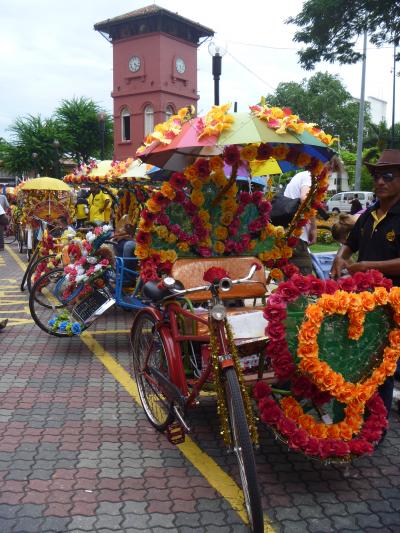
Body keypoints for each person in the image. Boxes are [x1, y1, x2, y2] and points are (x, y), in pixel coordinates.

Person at [330, 149, 400, 425]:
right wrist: (340, 257)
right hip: (363, 302)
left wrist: (368, 266)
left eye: (388, 176)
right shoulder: (370, 215)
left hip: (393, 305)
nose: (380, 181)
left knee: (382, 365)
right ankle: (354, 417)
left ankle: (376, 427)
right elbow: (351, 243)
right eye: (376, 176)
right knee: (360, 360)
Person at [284, 170, 317, 274]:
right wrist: (313, 227)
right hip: (297, 236)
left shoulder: (300, 175)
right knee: (303, 279)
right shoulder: (309, 176)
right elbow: (305, 198)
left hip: (288, 233)